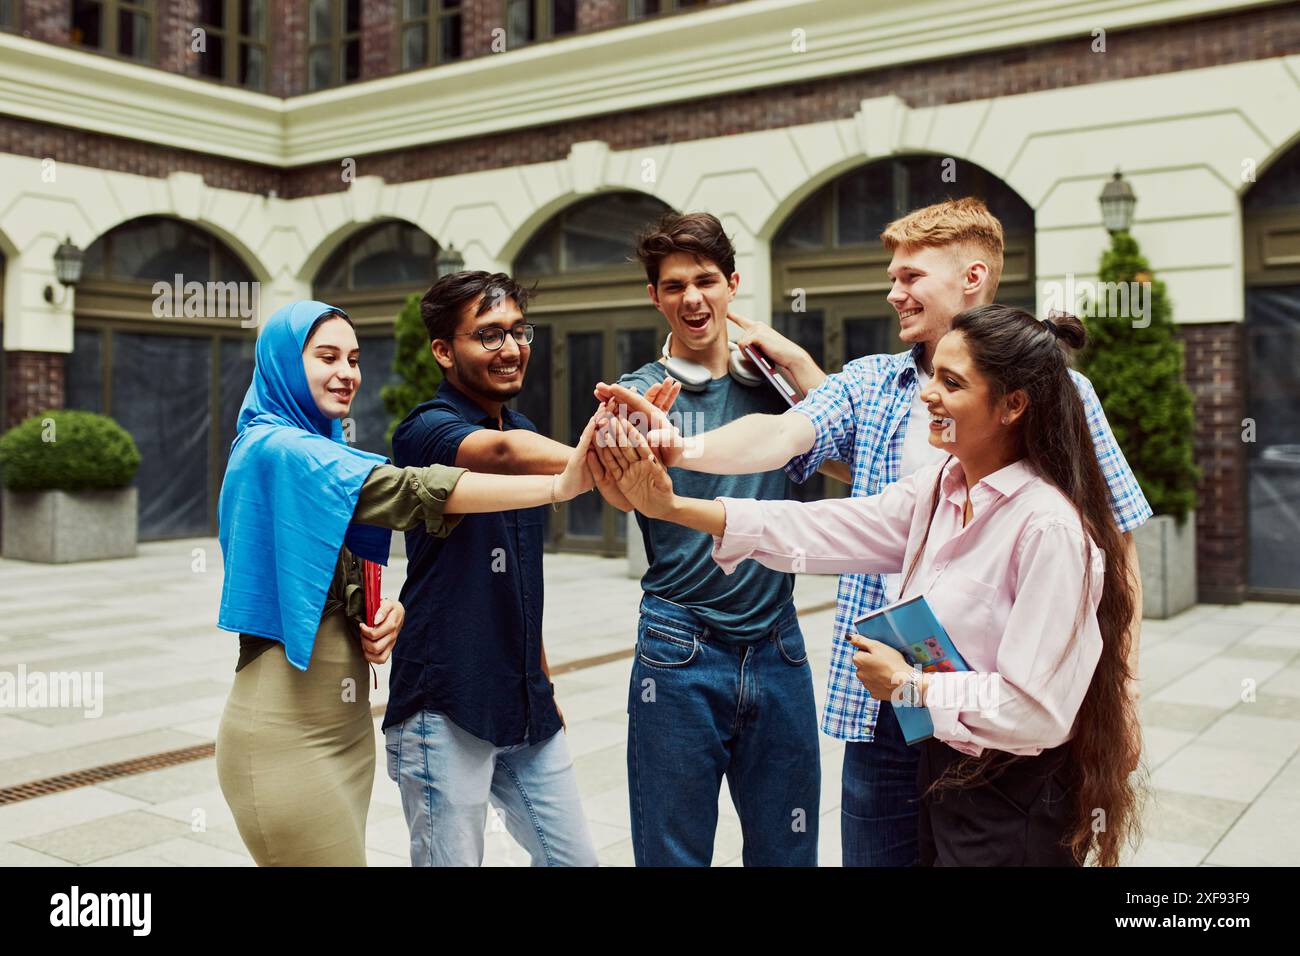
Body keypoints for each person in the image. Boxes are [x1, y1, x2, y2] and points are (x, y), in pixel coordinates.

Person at [597, 196, 1150, 866]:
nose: (894, 293)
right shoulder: (884, 403)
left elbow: (1113, 552)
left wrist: (1122, 698)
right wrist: (680, 460)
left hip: (1002, 723)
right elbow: (808, 482)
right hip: (888, 697)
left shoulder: (1059, 409)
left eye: (910, 276)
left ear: (971, 278)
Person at [215, 299, 601, 867]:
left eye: (353, 357)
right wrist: (561, 485)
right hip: (286, 731)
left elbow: (323, 580)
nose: (346, 372)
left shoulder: (322, 449)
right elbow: (410, 490)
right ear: (282, 365)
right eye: (326, 357)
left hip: (343, 728)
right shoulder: (278, 448)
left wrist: (378, 613)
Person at [383, 271, 675, 867]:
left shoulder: (524, 429)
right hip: (445, 700)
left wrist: (539, 677)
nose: (511, 349)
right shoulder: (424, 431)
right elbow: (500, 456)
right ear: (444, 351)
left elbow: (517, 574)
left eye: (519, 332)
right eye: (488, 336)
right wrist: (597, 453)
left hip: (525, 702)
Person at [586, 212, 825, 867]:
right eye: (674, 286)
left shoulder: (773, 388)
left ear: (732, 285)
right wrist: (631, 453)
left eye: (706, 281)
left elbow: (854, 463)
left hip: (779, 642)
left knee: (789, 849)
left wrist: (802, 366)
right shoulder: (637, 395)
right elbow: (616, 495)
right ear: (655, 297)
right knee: (673, 853)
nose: (692, 298)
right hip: (679, 646)